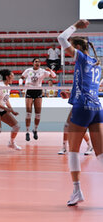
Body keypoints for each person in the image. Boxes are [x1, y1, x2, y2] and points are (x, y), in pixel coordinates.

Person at [57, 19, 103, 206]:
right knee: (100, 154)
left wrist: (75, 25)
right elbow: (88, 86)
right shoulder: (97, 64)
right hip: (97, 108)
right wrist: (72, 94)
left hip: (83, 106)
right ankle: (76, 192)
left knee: (73, 152)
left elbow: (61, 38)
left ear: (77, 47)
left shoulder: (82, 58)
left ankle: (77, 191)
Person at [19, 58, 56, 141]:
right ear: (33, 63)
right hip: (29, 90)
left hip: (38, 91)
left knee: (38, 113)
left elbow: (54, 76)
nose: (38, 63)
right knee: (28, 112)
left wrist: (50, 70)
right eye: (36, 61)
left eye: (39, 62)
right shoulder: (28, 70)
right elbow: (21, 77)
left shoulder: (42, 71)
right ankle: (27, 132)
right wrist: (20, 85)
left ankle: (35, 130)